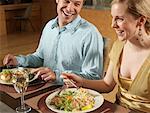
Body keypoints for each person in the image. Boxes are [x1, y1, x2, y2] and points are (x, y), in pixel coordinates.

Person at [62, 0, 150, 112]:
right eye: (112, 17)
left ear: (141, 20)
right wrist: (82, 82)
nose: (112, 25)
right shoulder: (119, 46)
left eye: (120, 19)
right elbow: (107, 84)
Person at [3, 0, 104, 84]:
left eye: (76, 4)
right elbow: (40, 58)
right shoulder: (49, 26)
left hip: (72, 96)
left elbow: (94, 77)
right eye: (66, 1)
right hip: (43, 87)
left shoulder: (90, 34)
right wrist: (19, 61)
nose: (69, 8)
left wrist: (57, 76)